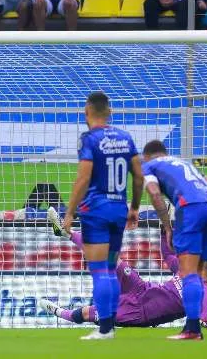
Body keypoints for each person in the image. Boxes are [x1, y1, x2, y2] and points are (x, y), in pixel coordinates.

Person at [55, 92, 143, 339]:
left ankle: (105, 329)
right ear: (109, 112)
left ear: (87, 112)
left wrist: (69, 212)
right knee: (111, 267)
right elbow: (138, 176)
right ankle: (110, 325)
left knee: (100, 270)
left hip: (95, 212)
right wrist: (134, 207)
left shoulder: (89, 139)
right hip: (118, 211)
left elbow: (83, 177)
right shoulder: (126, 138)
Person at [40, 226, 207, 330]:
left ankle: (58, 312)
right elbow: (167, 254)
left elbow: (203, 319)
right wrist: (164, 233)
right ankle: (66, 232)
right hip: (140, 288)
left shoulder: (204, 291)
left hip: (140, 313)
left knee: (86, 313)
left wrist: (202, 320)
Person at [141, 139, 207, 340]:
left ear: (147, 156)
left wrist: (168, 226)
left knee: (187, 273)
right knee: (198, 272)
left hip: (189, 209)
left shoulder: (150, 166)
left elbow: (153, 193)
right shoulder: (186, 164)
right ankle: (194, 326)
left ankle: (192, 329)